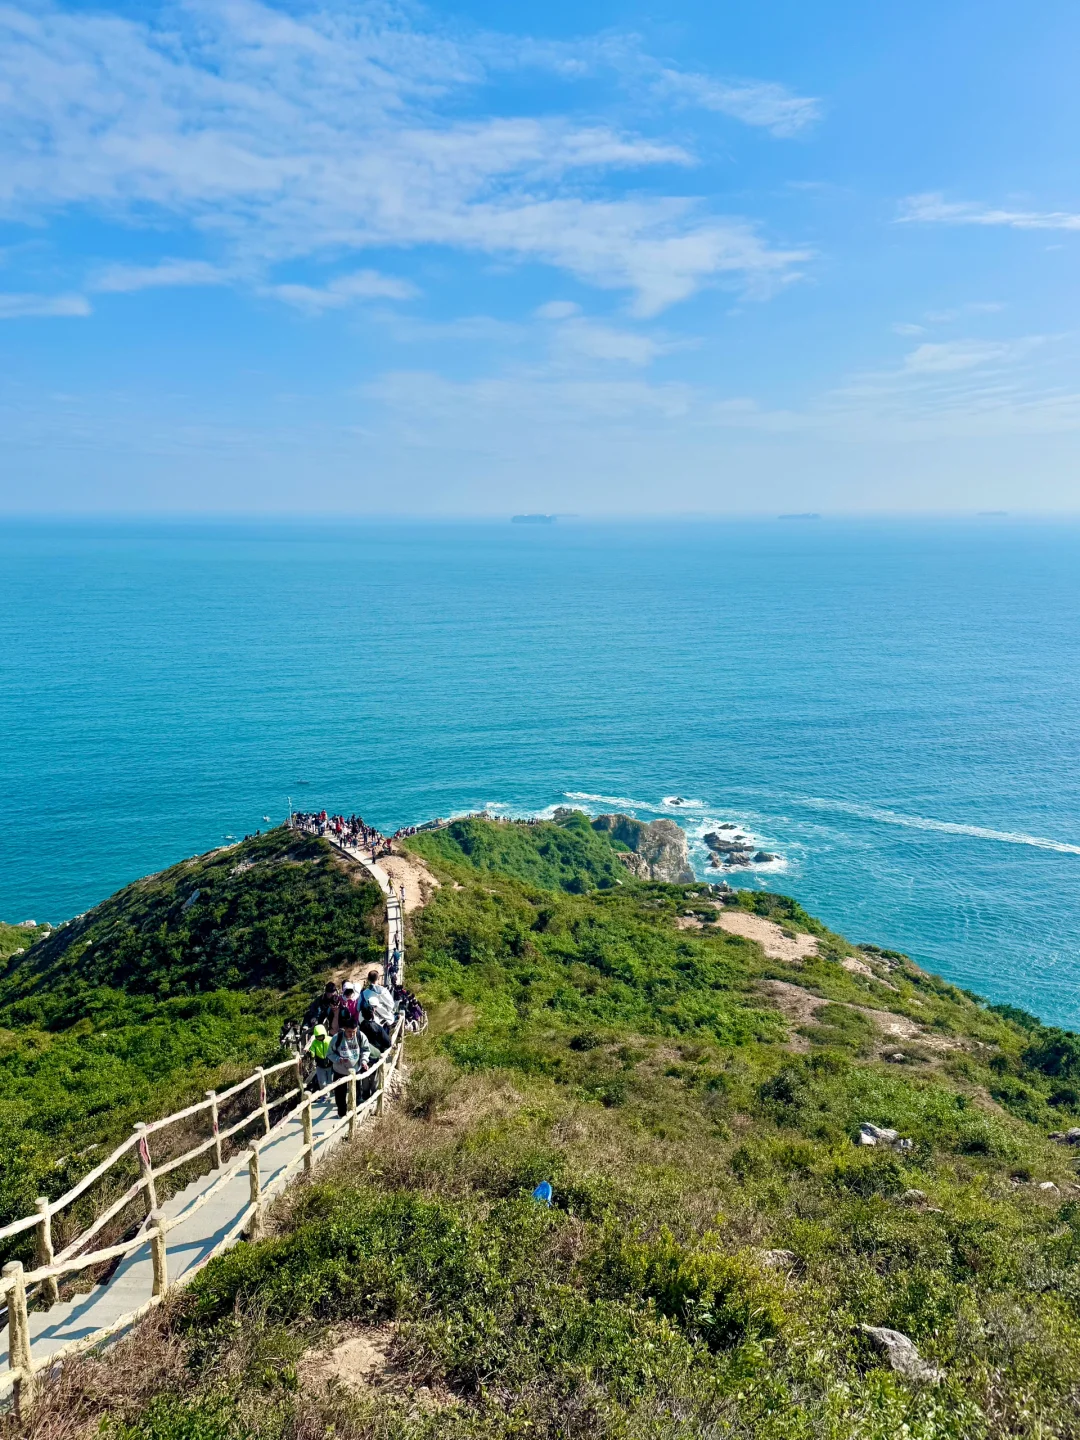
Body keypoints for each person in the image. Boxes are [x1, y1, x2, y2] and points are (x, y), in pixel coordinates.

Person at [328, 1016, 371, 1117]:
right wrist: (338, 1059)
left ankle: (356, 1112)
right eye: (349, 1032)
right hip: (340, 1071)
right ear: (344, 1029)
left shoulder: (360, 1036)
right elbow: (329, 1053)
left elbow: (365, 1050)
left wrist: (364, 1061)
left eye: (354, 1031)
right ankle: (342, 1114)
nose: (352, 1034)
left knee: (356, 1092)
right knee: (340, 1094)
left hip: (356, 1070)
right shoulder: (337, 1038)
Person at [360, 968, 396, 1049]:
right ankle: (387, 1059)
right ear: (378, 978)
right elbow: (391, 1004)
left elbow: (359, 1007)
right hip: (385, 1021)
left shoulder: (364, 993)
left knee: (371, 1044)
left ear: (368, 979)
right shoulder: (384, 991)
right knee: (385, 1044)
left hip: (368, 1022)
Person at [306, 1023, 333, 1092]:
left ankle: (331, 1094)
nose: (319, 1038)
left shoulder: (330, 1039)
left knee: (331, 1081)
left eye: (321, 1036)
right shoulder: (314, 1042)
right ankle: (324, 1095)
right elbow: (312, 1050)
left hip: (330, 1063)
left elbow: (335, 1048)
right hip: (320, 1064)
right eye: (318, 1036)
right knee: (322, 1082)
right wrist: (311, 1054)